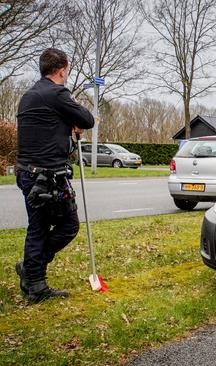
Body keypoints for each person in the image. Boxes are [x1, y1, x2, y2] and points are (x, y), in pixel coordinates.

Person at [15, 48, 95, 303]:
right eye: (67, 70)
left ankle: (34, 280)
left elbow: (45, 128)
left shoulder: (28, 96)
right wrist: (73, 122)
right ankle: (32, 271)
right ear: (62, 70)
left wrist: (64, 125)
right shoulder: (57, 93)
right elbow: (87, 119)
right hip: (48, 177)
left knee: (37, 228)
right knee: (69, 226)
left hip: (27, 173)